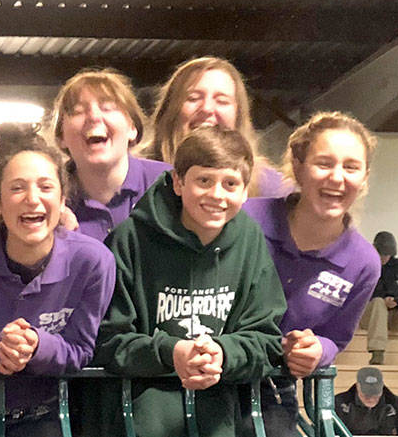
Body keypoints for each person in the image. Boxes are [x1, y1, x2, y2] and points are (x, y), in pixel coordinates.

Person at [91, 126, 285, 437]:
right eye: (204, 181)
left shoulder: (251, 240)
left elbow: (267, 338)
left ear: (245, 191)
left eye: (230, 183)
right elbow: (107, 339)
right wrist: (172, 352)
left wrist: (223, 352)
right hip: (139, 416)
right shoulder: (130, 239)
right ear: (179, 182)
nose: (217, 195)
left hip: (223, 416)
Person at [0, 122, 116, 436]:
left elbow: (80, 350)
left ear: (63, 200)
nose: (33, 199)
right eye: (17, 187)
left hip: (46, 416)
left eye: (46, 187)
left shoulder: (93, 261)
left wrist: (37, 346)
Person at [239, 111, 381, 434]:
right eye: (324, 163)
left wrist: (317, 349)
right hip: (211, 375)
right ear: (299, 167)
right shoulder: (246, 219)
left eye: (351, 167)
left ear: (365, 178)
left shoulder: (364, 263)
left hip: (273, 391)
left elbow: (337, 337)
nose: (337, 177)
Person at [51, 69, 171, 242]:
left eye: (108, 108)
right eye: (78, 111)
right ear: (61, 137)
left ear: (132, 129)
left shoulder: (167, 184)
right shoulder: (46, 197)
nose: (93, 116)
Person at [145, 56, 289, 198]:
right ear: (169, 110)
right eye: (193, 98)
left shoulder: (271, 188)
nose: (207, 108)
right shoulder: (136, 175)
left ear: (238, 116)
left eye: (222, 101)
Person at [362, 230, 398, 364]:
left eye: (387, 255)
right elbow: (358, 294)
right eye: (382, 254)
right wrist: (383, 301)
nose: (384, 258)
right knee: (378, 303)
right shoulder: (364, 266)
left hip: (396, 315)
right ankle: (377, 353)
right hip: (370, 315)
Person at [335, 367, 398, 436]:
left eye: (375, 395)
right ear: (357, 386)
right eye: (366, 395)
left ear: (382, 386)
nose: (371, 399)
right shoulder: (339, 404)